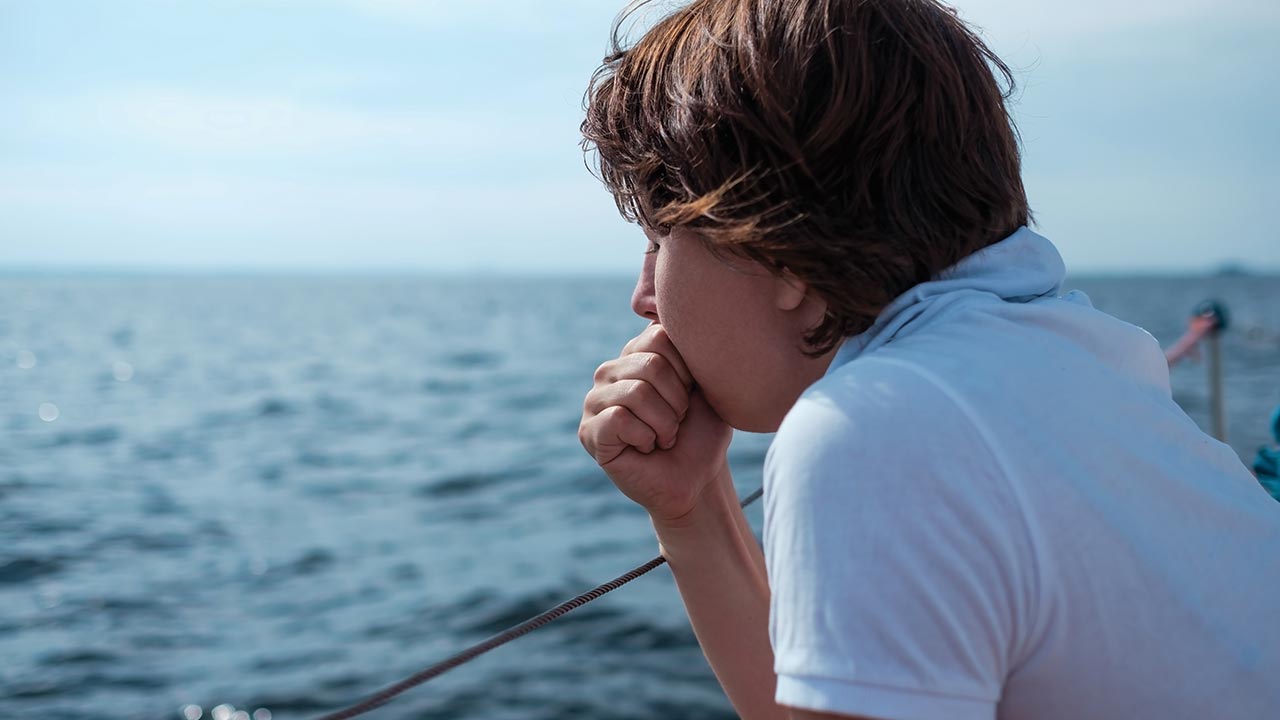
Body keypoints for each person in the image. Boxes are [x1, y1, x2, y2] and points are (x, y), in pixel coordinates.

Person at [576, 1, 1280, 718]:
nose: (643, 297)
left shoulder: (879, 430)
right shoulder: (1085, 356)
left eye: (660, 240)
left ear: (772, 245)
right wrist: (691, 509)